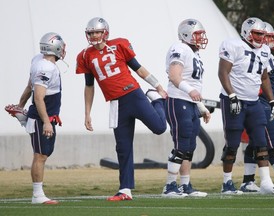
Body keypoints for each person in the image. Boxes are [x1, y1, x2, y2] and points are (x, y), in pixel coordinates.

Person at [75, 17, 167, 201]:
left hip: (134, 95)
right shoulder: (85, 55)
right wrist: (87, 113)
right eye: (91, 32)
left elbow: (139, 69)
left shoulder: (119, 45)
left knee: (159, 128)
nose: (94, 35)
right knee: (123, 148)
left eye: (97, 32)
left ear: (105, 32)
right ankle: (125, 189)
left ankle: (156, 101)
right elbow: (89, 86)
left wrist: (158, 88)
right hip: (116, 103)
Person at [218, 17, 274, 195]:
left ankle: (266, 183)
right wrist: (232, 96)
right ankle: (227, 183)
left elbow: (264, 78)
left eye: (262, 34)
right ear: (246, 32)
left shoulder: (264, 50)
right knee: (232, 144)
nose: (260, 38)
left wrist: (272, 102)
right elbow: (223, 72)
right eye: (257, 33)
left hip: (254, 101)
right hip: (234, 99)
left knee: (261, 143)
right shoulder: (233, 45)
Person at [5, 32, 66, 204]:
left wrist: (20, 105)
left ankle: (23, 115)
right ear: (57, 48)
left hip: (45, 116)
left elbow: (29, 85)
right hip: (42, 117)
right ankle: (37, 195)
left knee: (45, 153)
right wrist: (46, 121)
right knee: (40, 155)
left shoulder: (38, 60)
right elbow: (38, 97)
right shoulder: (46, 67)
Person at [161, 18, 211, 198]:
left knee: (190, 146)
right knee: (181, 145)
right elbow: (175, 76)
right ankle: (169, 186)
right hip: (178, 100)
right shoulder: (180, 48)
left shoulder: (194, 53)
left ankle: (185, 185)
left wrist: (201, 106)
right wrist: (190, 92)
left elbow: (194, 83)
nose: (200, 38)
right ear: (186, 34)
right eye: (197, 35)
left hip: (190, 103)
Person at [240, 22, 274, 193]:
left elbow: (271, 85)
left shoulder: (267, 55)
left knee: (256, 143)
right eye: (267, 36)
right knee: (272, 140)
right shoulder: (255, 54)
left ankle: (247, 181)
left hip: (266, 103)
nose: (270, 40)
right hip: (259, 102)